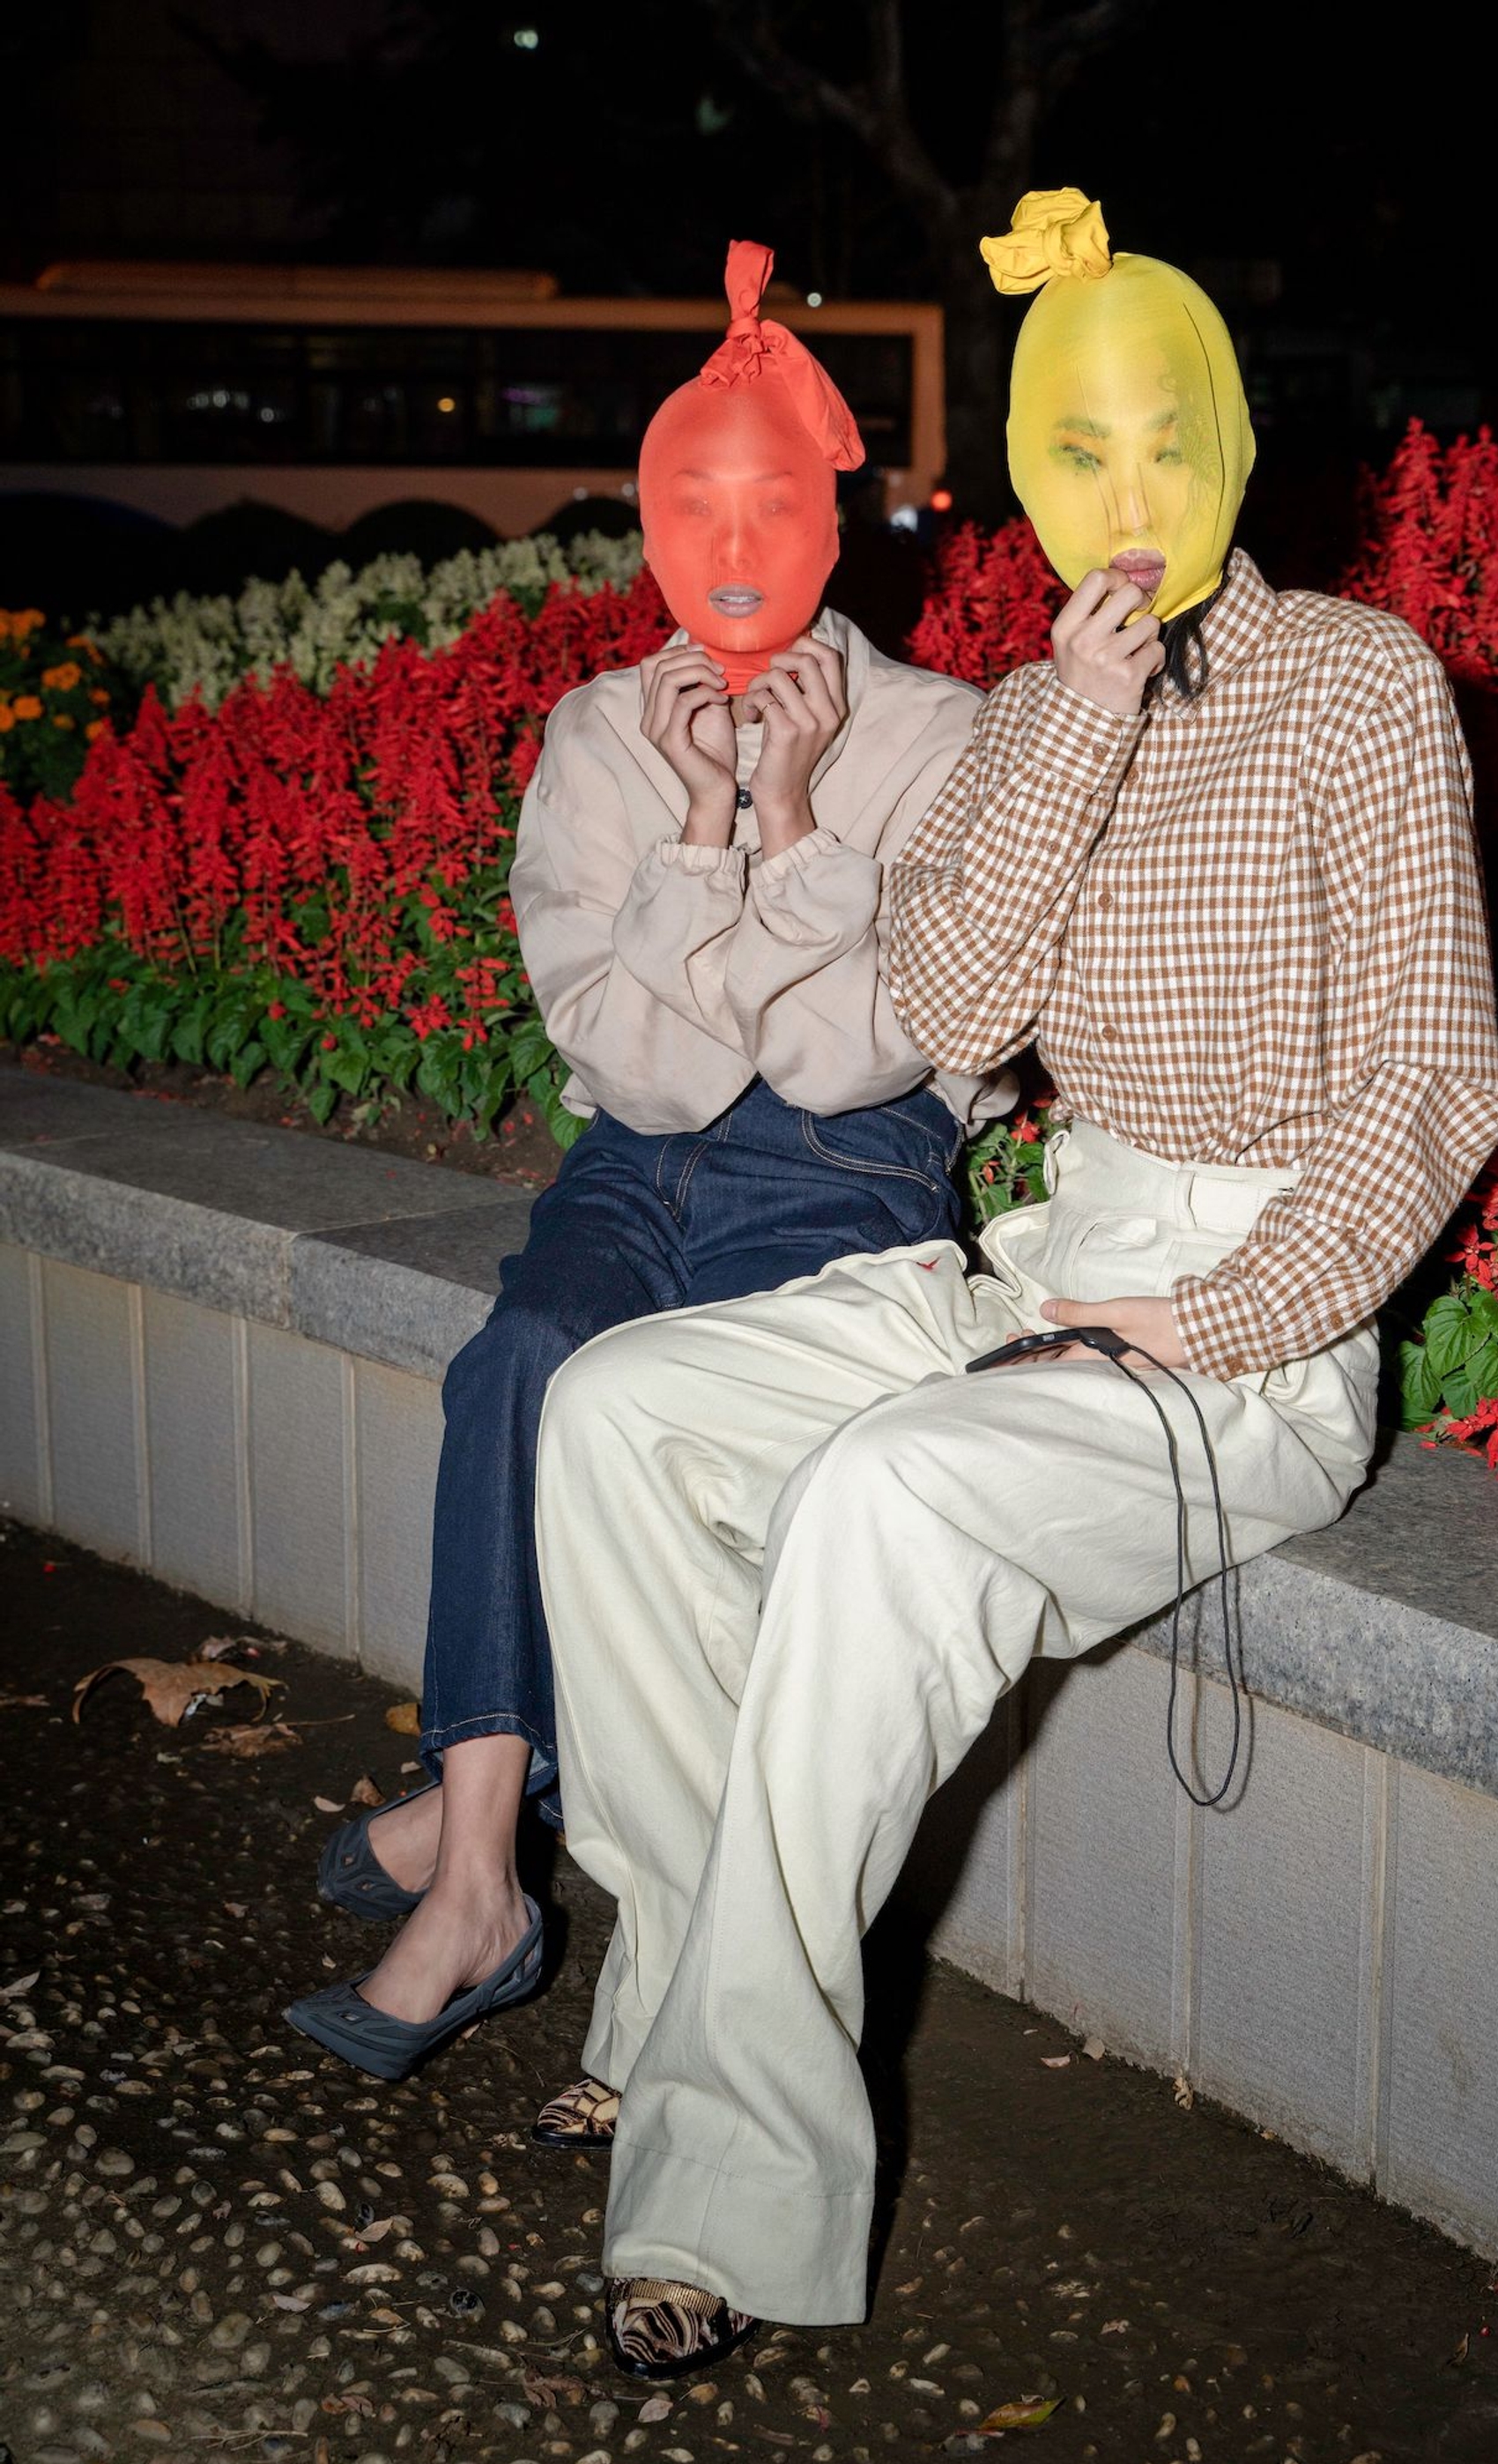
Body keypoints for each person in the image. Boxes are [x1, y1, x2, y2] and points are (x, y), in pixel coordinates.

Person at [529, 189, 1498, 2379]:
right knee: (615, 1413)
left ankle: (724, 2183)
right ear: (1028, 472)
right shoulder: (1021, 707)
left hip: (1251, 1330)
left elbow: (1439, 1079)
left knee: (884, 1495)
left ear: (1243, 444)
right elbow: (952, 1004)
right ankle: (693, 1992)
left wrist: (1219, 1316)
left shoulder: (1363, 691)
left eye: (1169, 446)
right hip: (1042, 1259)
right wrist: (1065, 729)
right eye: (1081, 455)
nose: (1131, 500)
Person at [284, 241, 1008, 2092]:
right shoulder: (601, 738)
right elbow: (650, 1080)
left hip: (855, 1181)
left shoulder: (943, 741)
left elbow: (858, 1055)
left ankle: (464, 1845)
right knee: (523, 1361)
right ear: (648, 519)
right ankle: (483, 1888)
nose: (739, 536)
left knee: (649, 1418)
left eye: (776, 498)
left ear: (838, 513)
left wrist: (791, 822)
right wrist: (699, 830)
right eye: (698, 501)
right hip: (645, 1170)